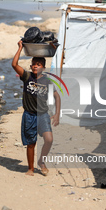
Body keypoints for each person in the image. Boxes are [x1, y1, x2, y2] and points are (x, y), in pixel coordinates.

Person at [12, 40, 61, 176]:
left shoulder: (47, 81)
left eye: (38, 65)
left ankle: (41, 161)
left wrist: (57, 114)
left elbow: (57, 97)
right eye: (33, 64)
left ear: (43, 68)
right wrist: (20, 48)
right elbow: (14, 64)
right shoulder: (27, 77)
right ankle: (30, 168)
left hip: (43, 114)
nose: (35, 67)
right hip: (29, 115)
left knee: (49, 139)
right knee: (31, 143)